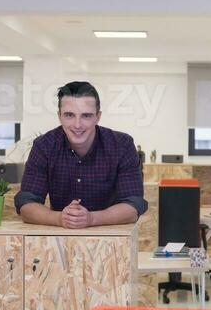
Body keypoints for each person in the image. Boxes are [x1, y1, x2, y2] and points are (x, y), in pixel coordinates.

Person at [14, 81, 147, 229]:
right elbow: (26, 203)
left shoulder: (122, 145)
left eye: (86, 116)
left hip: (113, 242)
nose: (77, 125)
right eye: (69, 115)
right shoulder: (44, 146)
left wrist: (92, 219)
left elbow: (133, 205)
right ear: (59, 116)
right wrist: (59, 218)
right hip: (58, 241)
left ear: (98, 117)